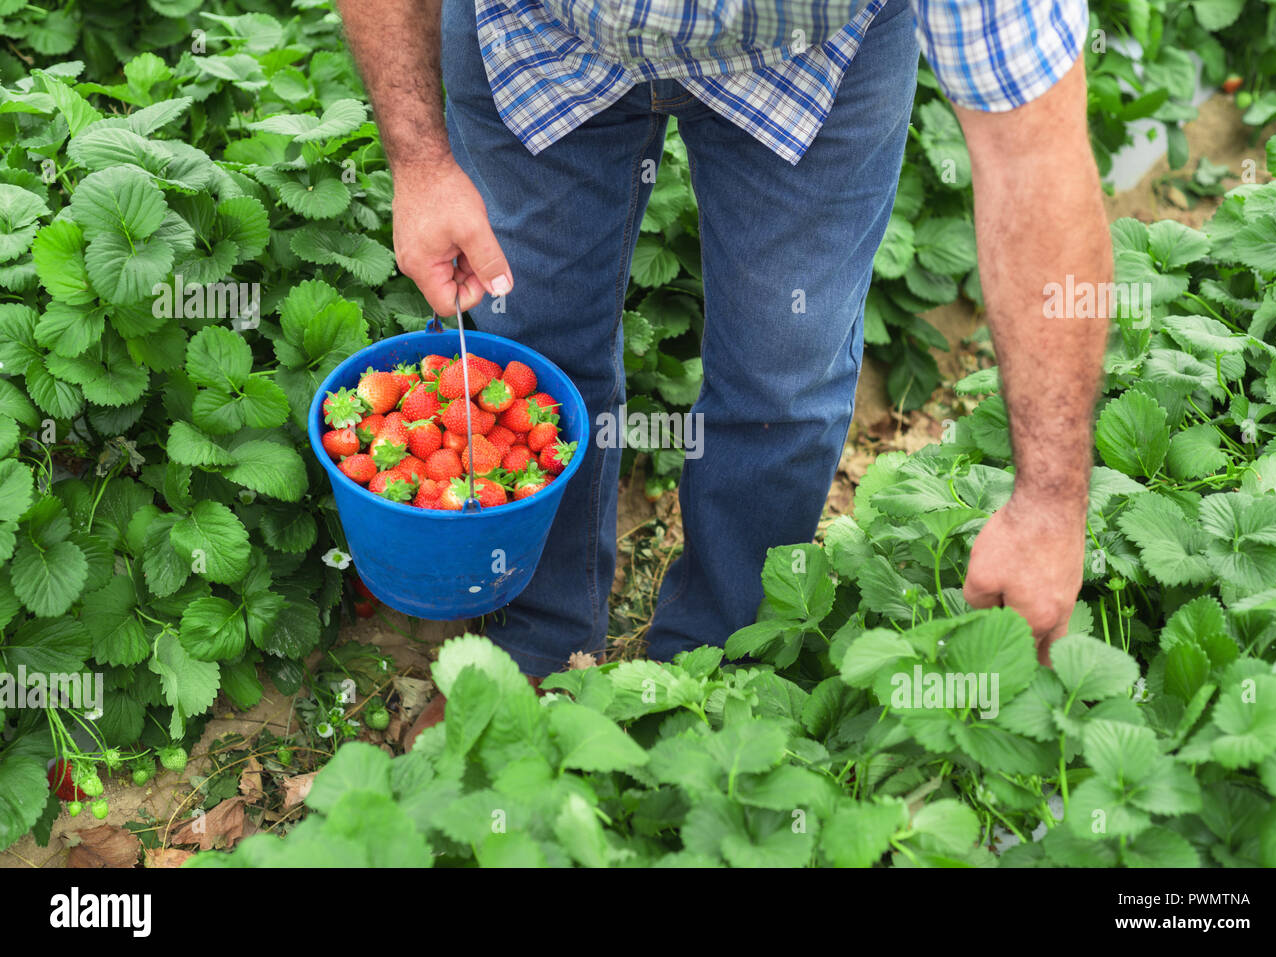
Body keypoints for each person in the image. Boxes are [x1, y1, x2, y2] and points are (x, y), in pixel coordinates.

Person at [335, 0, 1113, 743]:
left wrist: (1049, 500)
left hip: (812, 52)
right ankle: (536, 652)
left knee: (783, 379)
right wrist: (420, 159)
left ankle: (714, 670)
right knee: (531, 351)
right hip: (538, 36)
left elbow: (1033, 155)